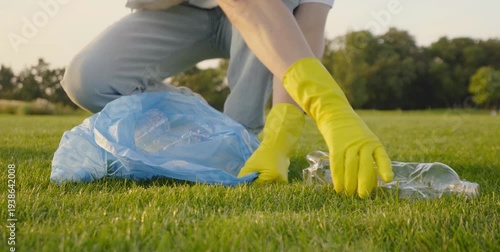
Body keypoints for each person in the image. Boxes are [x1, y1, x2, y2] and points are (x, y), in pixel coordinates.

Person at [61, 0, 394, 198]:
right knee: (88, 80)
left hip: (270, 13)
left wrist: (284, 130)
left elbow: (306, 28)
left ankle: (239, 132)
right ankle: (205, 120)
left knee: (234, 150)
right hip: (181, 10)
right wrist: (327, 104)